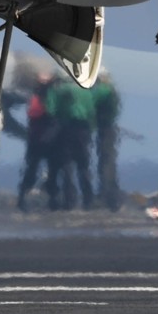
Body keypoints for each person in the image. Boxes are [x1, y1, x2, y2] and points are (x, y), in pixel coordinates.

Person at [45, 75, 95, 210]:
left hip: (66, 130)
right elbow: (91, 111)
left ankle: (69, 201)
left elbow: (51, 109)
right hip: (83, 130)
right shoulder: (85, 90)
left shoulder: (57, 90)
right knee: (84, 166)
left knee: (67, 166)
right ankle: (88, 200)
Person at [17, 71, 56, 210]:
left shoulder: (34, 98)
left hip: (36, 140)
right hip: (47, 141)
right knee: (50, 172)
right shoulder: (51, 97)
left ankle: (22, 199)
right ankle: (53, 202)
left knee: (32, 170)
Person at [90, 73, 123, 211]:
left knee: (105, 162)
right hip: (110, 128)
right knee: (109, 161)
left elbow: (91, 104)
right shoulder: (112, 91)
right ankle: (112, 197)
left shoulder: (102, 91)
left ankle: (105, 196)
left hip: (104, 128)